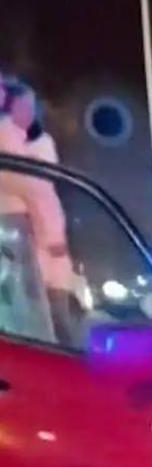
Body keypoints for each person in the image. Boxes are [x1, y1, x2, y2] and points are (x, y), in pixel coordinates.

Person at [0, 80, 80, 346]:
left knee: (51, 318)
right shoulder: (10, 139)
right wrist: (53, 237)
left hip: (35, 240)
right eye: (25, 105)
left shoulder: (28, 141)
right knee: (39, 323)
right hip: (22, 233)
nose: (30, 111)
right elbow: (36, 190)